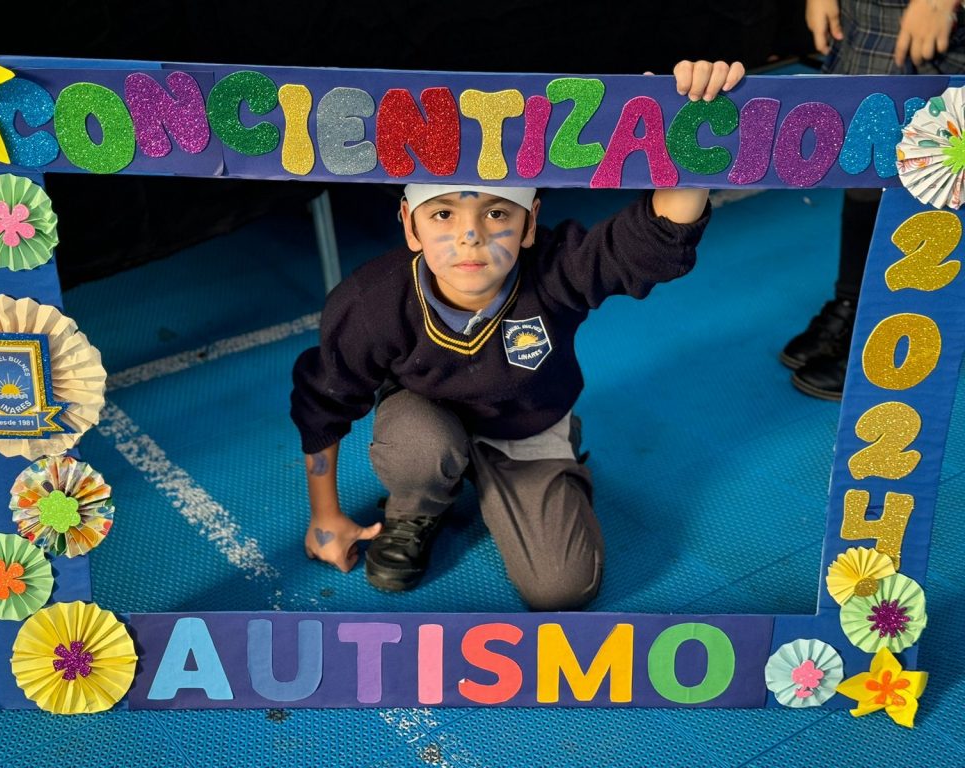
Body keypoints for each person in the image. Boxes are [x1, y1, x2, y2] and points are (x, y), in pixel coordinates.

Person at [290, 60, 746, 610]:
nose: (470, 237)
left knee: (562, 588)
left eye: (497, 214)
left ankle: (533, 479)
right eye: (442, 215)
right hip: (428, 418)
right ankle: (417, 507)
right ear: (410, 224)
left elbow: (651, 243)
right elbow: (325, 401)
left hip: (527, 425)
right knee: (418, 443)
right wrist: (325, 516)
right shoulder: (372, 301)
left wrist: (690, 134)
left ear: (529, 223)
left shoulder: (556, 270)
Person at [784, 0, 965, 400]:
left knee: (933, 178)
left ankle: (896, 333)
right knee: (864, 163)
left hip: (947, 29)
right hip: (869, 21)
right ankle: (853, 305)